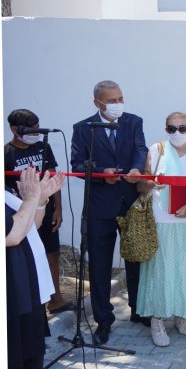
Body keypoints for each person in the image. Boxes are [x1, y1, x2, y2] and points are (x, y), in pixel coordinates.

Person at [70, 80, 149, 345]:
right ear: (97, 103)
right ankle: (103, 321)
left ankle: (139, 310)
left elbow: (140, 149)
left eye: (120, 99)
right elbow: (77, 164)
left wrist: (137, 168)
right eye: (112, 100)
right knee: (100, 266)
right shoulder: (83, 128)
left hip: (130, 203)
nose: (118, 104)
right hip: (99, 207)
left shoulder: (133, 122)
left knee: (136, 260)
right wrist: (101, 173)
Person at [135, 112, 186, 347]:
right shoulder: (156, 150)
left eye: (182, 128)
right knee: (161, 272)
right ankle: (157, 321)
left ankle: (181, 315)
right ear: (165, 129)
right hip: (162, 221)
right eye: (171, 129)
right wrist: (152, 182)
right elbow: (140, 185)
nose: (177, 133)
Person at [5, 109, 72, 315]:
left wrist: (58, 208)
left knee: (52, 251)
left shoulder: (43, 147)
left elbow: (53, 178)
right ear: (14, 129)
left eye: (37, 127)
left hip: (46, 207)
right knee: (29, 254)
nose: (36, 132)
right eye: (30, 129)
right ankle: (36, 301)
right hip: (21, 214)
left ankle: (56, 299)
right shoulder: (6, 153)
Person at [6, 167, 64, 369]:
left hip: (30, 293)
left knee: (32, 356)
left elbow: (31, 225)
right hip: (13, 298)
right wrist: (32, 198)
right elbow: (12, 236)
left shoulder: (5, 191)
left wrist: (39, 200)